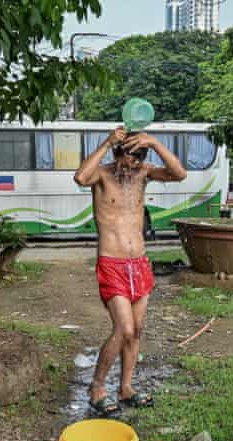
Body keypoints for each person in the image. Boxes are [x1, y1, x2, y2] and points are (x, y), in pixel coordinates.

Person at [73, 126, 187, 417]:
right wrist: (107, 142)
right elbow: (80, 177)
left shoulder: (143, 174)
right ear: (117, 153)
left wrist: (154, 142)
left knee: (136, 331)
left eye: (139, 158)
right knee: (123, 329)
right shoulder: (102, 174)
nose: (133, 164)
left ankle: (126, 388)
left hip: (140, 264)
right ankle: (97, 387)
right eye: (129, 158)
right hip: (112, 264)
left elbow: (179, 173)